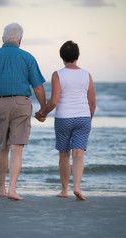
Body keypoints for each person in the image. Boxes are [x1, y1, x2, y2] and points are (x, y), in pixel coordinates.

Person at [0, 23, 46, 200]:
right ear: (20, 40)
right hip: (21, 104)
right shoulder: (27, 57)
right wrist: (43, 109)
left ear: (3, 38)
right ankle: (12, 189)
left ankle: (1, 188)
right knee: (17, 148)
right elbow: (38, 87)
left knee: (2, 147)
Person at [35, 40, 96, 200]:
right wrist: (88, 119)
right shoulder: (86, 75)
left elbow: (54, 101)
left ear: (61, 56)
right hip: (83, 117)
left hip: (64, 118)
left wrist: (43, 112)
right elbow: (92, 103)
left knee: (64, 154)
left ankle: (64, 190)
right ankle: (77, 187)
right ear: (78, 55)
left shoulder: (58, 74)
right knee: (79, 154)